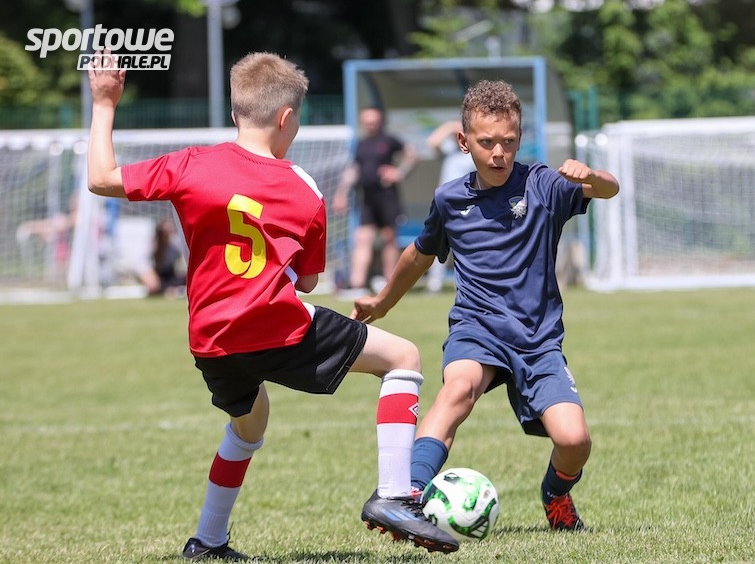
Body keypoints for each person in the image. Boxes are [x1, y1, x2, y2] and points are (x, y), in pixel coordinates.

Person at [87, 50, 459, 561]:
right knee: (403, 357)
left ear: (235, 111)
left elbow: (101, 178)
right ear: (287, 118)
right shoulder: (303, 188)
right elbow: (307, 281)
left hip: (212, 341)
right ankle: (394, 495)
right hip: (275, 329)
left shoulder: (191, 164)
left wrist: (105, 102)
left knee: (249, 425)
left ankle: (208, 541)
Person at [350, 80, 620, 532]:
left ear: (520, 139)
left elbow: (610, 189)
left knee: (574, 440)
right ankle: (406, 496)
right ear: (464, 141)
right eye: (486, 142)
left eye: (508, 142)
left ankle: (555, 493)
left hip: (537, 340)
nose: (498, 153)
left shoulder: (543, 185)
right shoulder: (449, 199)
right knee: (457, 390)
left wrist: (590, 176)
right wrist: (382, 301)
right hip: (478, 328)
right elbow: (418, 255)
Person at [333, 107, 416, 292]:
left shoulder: (389, 140)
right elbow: (354, 170)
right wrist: (341, 194)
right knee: (362, 238)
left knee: (389, 237)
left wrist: (399, 172)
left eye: (373, 120)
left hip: (388, 197)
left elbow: (411, 154)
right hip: (367, 199)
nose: (370, 123)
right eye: (367, 120)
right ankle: (356, 284)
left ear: (380, 121)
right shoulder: (361, 144)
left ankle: (389, 284)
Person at [424, 120, 474, 293]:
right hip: (445, 203)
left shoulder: (473, 153)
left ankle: (464, 283)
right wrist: (450, 127)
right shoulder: (450, 149)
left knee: (465, 244)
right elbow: (432, 142)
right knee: (438, 241)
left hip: (467, 204)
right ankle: (434, 282)